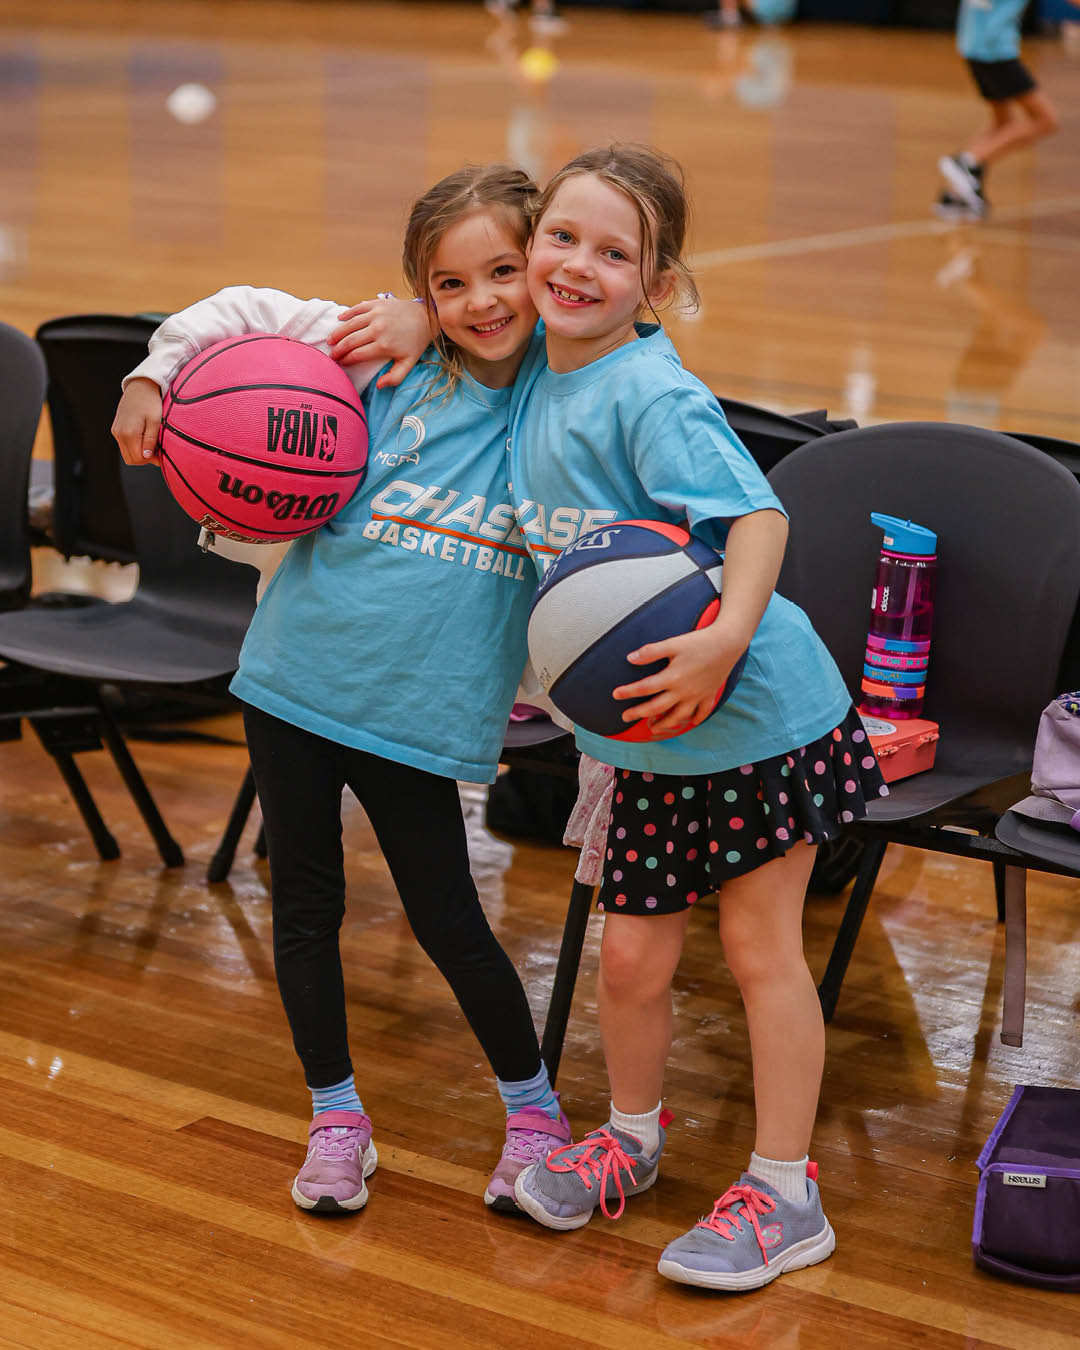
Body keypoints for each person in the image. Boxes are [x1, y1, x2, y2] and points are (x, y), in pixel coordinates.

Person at [110, 165, 572, 1217]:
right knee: (305, 905)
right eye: (448, 283)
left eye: (504, 270)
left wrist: (442, 312)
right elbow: (237, 312)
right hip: (293, 682)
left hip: (422, 711)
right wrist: (153, 376)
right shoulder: (378, 352)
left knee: (448, 918)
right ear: (418, 287)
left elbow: (624, 340)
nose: (481, 301)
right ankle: (336, 1116)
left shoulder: (564, 392)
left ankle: (536, 1112)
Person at [502, 144, 888, 1291]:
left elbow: (757, 522)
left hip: (757, 712)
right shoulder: (529, 365)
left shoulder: (650, 393)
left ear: (657, 286)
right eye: (560, 238)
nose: (578, 266)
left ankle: (784, 1192)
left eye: (614, 253)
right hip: (644, 735)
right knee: (628, 958)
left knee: (760, 950)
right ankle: (632, 1136)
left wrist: (722, 637)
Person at [937, 0, 1059, 221]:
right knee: (1045, 120)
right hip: (996, 51)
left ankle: (957, 193)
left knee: (1003, 124)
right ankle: (967, 162)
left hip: (972, 46)